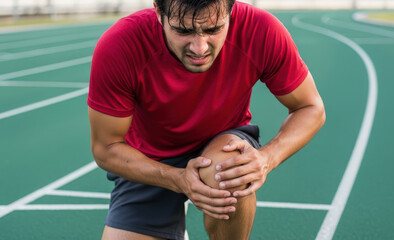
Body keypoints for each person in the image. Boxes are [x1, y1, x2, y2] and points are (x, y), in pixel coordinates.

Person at [87, 0, 325, 239]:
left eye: (213, 30)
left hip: (222, 141)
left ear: (231, 12)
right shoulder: (120, 44)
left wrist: (267, 158)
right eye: (183, 30)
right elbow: (107, 147)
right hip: (150, 158)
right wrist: (178, 179)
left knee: (231, 173)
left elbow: (310, 107)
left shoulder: (261, 29)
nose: (199, 48)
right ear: (159, 12)